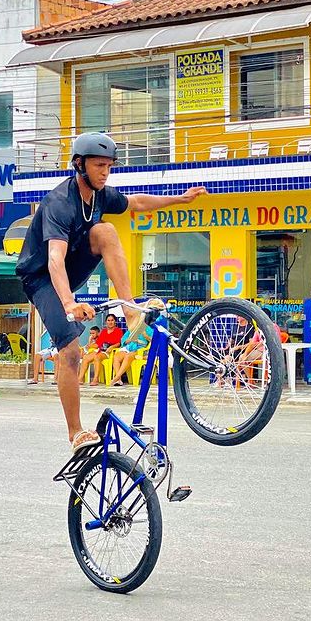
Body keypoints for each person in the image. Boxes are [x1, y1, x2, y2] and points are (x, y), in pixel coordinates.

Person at [15, 131, 206, 450]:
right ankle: (76, 432)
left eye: (109, 166)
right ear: (80, 164)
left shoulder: (101, 195)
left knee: (105, 230)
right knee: (72, 351)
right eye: (99, 165)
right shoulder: (59, 203)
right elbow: (53, 259)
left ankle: (131, 311)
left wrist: (179, 199)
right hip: (41, 277)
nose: (105, 172)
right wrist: (69, 303)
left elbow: (137, 203)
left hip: (70, 266)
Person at [82, 315, 123, 386]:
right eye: (108, 320)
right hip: (100, 351)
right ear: (106, 322)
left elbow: (119, 343)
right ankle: (80, 378)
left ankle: (96, 379)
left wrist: (112, 346)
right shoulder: (104, 331)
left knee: (97, 356)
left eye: (112, 320)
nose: (110, 322)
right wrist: (88, 345)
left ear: (115, 322)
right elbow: (98, 344)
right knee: (86, 357)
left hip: (110, 353)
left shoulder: (118, 331)